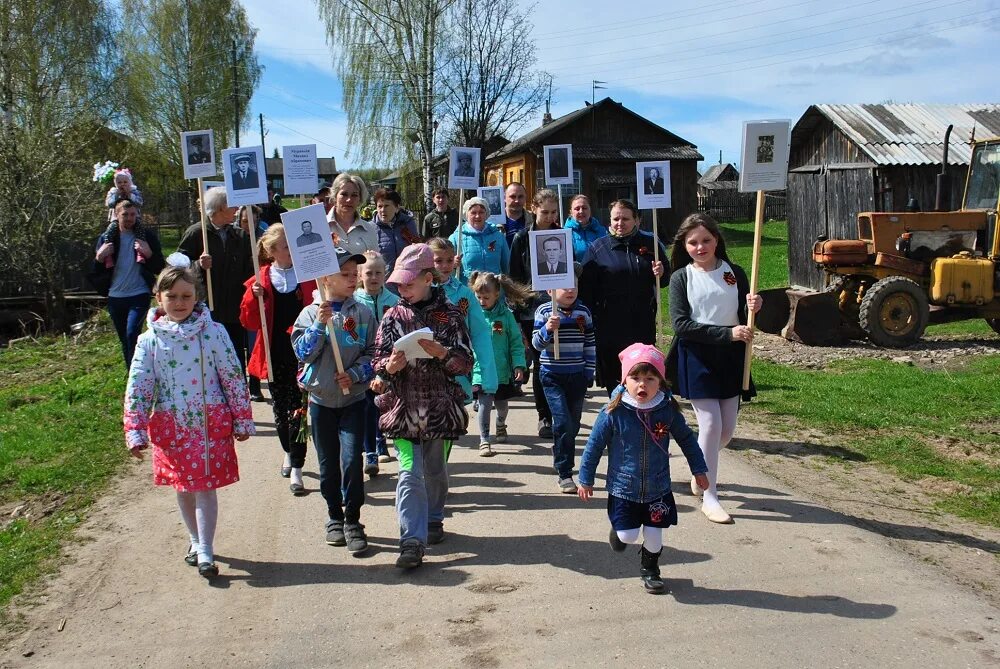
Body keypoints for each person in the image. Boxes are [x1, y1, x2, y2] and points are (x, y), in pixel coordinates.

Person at [124, 261, 255, 579]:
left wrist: (242, 418)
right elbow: (139, 386)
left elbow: (233, 377)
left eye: (186, 295)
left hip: (208, 425)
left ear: (197, 296)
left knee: (205, 487)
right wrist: (136, 429)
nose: (180, 303)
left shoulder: (214, 333)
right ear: (159, 298)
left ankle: (206, 551)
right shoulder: (149, 341)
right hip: (173, 427)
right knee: (183, 488)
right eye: (172, 296)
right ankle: (195, 541)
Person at [371, 244, 473, 568]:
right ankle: (411, 541)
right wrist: (390, 366)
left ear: (429, 278)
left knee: (435, 471)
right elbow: (377, 359)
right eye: (399, 284)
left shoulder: (452, 315)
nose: (403, 289)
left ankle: (434, 516)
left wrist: (442, 354)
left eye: (409, 283)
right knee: (409, 474)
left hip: (439, 409)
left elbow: (466, 362)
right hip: (402, 409)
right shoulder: (392, 316)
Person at [578, 343, 709, 594]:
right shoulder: (613, 412)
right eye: (635, 378)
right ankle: (618, 532)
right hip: (623, 487)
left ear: (660, 382)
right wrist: (586, 479)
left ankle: (651, 570)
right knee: (627, 536)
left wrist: (699, 470)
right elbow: (593, 446)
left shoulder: (667, 410)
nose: (642, 385)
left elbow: (687, 440)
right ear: (624, 380)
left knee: (655, 534)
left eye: (650, 379)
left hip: (657, 487)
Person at [667, 213, 762, 525]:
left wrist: (754, 309)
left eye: (706, 240)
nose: (700, 246)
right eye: (693, 242)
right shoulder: (681, 277)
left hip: (731, 358)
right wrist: (727, 333)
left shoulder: (734, 273)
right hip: (697, 356)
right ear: (684, 244)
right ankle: (710, 496)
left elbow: (742, 315)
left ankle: (699, 465)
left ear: (716, 240)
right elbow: (681, 325)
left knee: (726, 431)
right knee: (709, 424)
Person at [291, 248, 376, 556]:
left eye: (355, 274)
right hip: (321, 402)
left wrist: (354, 373)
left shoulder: (363, 313)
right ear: (325, 277)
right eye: (346, 274)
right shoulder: (310, 314)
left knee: (352, 460)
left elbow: (373, 354)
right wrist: (318, 326)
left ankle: (353, 519)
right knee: (328, 466)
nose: (353, 279)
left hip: (353, 400)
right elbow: (302, 354)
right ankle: (334, 516)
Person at [239, 224, 318, 494]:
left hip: (302, 355)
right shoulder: (260, 279)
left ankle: (297, 465)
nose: (292, 250)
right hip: (273, 355)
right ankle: (287, 450)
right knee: (280, 413)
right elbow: (248, 322)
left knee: (299, 411)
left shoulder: (309, 277)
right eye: (286, 246)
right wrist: (253, 297)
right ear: (272, 251)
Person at [579, 199, 666, 397]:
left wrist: (661, 272)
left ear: (637, 220)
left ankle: (641, 416)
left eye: (625, 218)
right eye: (616, 218)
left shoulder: (650, 243)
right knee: (615, 378)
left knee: (640, 374)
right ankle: (617, 414)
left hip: (642, 322)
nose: (620, 223)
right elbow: (587, 287)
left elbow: (666, 278)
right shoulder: (597, 248)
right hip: (610, 325)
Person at [178, 187, 255, 389]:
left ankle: (239, 396)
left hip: (234, 310)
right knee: (209, 360)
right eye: (231, 205)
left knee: (236, 356)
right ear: (220, 208)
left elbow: (250, 269)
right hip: (207, 311)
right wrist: (197, 265)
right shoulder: (196, 233)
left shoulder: (240, 235)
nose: (237, 209)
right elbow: (176, 267)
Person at [532, 267, 595, 493]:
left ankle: (560, 448)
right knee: (562, 423)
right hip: (551, 375)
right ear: (550, 289)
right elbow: (536, 345)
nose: (570, 290)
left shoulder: (583, 313)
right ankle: (565, 472)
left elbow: (589, 343)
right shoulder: (544, 311)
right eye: (564, 285)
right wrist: (548, 330)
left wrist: (590, 370)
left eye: (574, 285)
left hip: (577, 375)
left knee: (574, 425)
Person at [90, 199, 166, 368]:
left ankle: (140, 371)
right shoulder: (107, 238)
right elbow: (95, 272)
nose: (130, 218)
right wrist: (99, 257)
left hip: (139, 294)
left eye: (133, 214)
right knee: (124, 338)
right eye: (125, 214)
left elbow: (159, 266)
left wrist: (149, 253)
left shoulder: (146, 237)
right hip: (116, 296)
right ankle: (132, 374)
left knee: (133, 334)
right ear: (116, 215)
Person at [509, 188, 558, 438]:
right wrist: (517, 314)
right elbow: (515, 278)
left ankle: (559, 410)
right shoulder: (521, 238)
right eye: (544, 211)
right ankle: (544, 416)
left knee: (557, 361)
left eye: (553, 211)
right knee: (540, 362)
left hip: (558, 306)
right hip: (531, 311)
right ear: (534, 209)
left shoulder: (562, 235)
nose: (549, 216)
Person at [427, 237, 498, 410]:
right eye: (438, 261)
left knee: (450, 421)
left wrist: (487, 377)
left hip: (455, 365)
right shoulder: (419, 291)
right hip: (425, 367)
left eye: (449, 260)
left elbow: (480, 333)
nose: (444, 266)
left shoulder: (464, 294)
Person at [469, 271, 530, 457]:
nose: (481, 301)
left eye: (486, 297)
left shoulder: (506, 316)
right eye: (478, 297)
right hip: (481, 369)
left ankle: (501, 423)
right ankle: (484, 439)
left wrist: (518, 365)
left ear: (497, 294)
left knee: (501, 405)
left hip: (501, 370)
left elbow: (516, 343)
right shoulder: (473, 314)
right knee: (484, 403)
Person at [353, 251, 399, 476]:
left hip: (388, 362)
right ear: (360, 274)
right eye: (368, 273)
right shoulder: (353, 302)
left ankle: (382, 439)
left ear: (385, 274)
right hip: (364, 362)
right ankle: (371, 451)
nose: (373, 277)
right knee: (368, 406)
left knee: (384, 404)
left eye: (378, 273)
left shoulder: (394, 301)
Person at [448, 196, 510, 283]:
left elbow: (507, 266)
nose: (477, 216)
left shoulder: (498, 236)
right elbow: (444, 269)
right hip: (468, 292)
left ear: (486, 214)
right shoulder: (456, 238)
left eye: (481, 212)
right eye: (473, 212)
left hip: (494, 292)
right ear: (466, 214)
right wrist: (452, 263)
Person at [326, 173, 377, 255]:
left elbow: (376, 264)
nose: (349, 200)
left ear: (360, 199)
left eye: (354, 195)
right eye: (344, 194)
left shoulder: (369, 229)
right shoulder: (320, 226)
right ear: (335, 196)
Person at [373, 188, 420, 276]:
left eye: (387, 206)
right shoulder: (370, 228)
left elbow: (416, 250)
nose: (383, 210)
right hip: (383, 283)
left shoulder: (408, 223)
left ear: (396, 208)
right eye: (380, 206)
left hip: (407, 279)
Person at [564, 195, 608, 261]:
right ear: (571, 212)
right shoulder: (565, 233)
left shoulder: (602, 231)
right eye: (577, 209)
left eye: (584, 208)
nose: (581, 211)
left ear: (590, 210)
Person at [500, 182, 534, 247]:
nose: (517, 201)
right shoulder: (494, 222)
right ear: (504, 198)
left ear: (525, 198)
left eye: (520, 196)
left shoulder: (534, 219)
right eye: (513, 197)